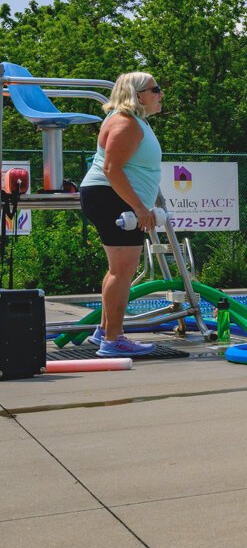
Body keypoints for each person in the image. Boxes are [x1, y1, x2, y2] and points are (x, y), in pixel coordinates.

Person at [77, 71, 165, 358]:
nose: (160, 94)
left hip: (113, 198)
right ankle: (113, 339)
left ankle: (104, 331)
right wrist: (140, 208)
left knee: (118, 269)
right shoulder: (126, 123)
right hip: (112, 198)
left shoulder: (134, 122)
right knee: (123, 270)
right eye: (156, 89)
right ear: (138, 95)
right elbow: (112, 170)